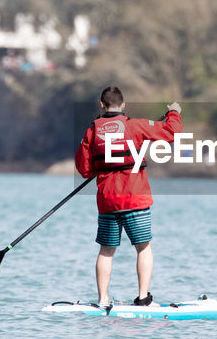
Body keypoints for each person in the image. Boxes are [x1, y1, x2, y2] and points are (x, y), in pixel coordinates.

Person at [74, 86, 182, 307]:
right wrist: (174, 112)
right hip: (134, 198)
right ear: (123, 105)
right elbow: (172, 133)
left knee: (106, 250)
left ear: (102, 105)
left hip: (107, 200)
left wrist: (102, 165)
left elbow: (84, 169)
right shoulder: (136, 125)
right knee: (143, 247)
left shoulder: (92, 131)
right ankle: (143, 298)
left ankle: (103, 299)